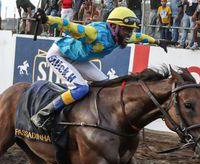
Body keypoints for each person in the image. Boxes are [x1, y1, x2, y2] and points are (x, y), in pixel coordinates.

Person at [29, 7, 169, 130]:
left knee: (107, 84)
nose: (129, 34)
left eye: (130, 30)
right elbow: (68, 26)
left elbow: (139, 37)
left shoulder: (120, 35)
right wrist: (47, 19)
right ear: (113, 27)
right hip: (58, 55)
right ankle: (43, 115)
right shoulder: (93, 33)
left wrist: (157, 41)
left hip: (77, 58)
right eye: (126, 29)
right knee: (81, 88)